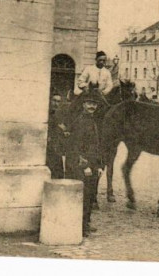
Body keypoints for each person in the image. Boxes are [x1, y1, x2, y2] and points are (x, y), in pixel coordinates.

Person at [63, 93, 103, 236]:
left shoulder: (92, 121)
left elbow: (96, 146)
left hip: (91, 166)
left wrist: (98, 166)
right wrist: (85, 166)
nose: (92, 106)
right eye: (89, 103)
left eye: (94, 104)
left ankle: (86, 223)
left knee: (90, 195)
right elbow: (75, 146)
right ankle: (80, 226)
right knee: (83, 195)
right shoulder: (80, 122)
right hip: (82, 166)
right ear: (83, 105)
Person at [46, 93, 70, 179]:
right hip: (47, 148)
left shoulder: (59, 116)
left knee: (58, 172)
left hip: (56, 149)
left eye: (58, 102)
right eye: (54, 101)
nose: (56, 104)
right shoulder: (45, 114)